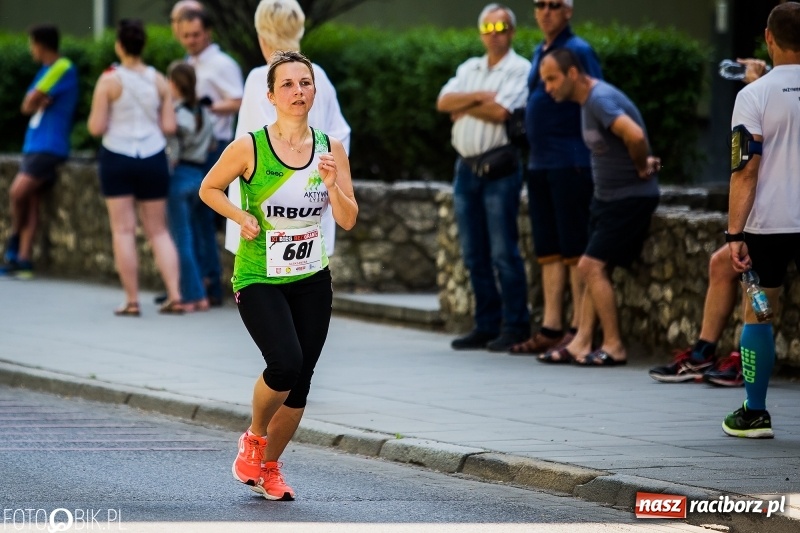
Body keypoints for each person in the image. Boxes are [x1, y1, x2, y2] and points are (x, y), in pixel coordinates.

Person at [199, 50, 358, 500]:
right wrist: (239, 216)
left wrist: (331, 186)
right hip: (259, 276)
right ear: (270, 95)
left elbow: (347, 218)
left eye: (304, 83)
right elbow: (208, 187)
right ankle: (253, 436)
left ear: (315, 91)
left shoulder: (331, 149)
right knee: (285, 363)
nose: (297, 91)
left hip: (311, 277)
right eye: (287, 84)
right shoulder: (251, 146)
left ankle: (268, 468)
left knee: (302, 379)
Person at [648, 58, 774, 387]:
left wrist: (754, 85)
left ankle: (748, 368)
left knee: (754, 276)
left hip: (782, 216)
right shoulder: (773, 85)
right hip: (773, 210)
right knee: (723, 263)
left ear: (771, 39)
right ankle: (704, 353)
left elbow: (753, 149)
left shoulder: (765, 91)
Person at [537, 48, 660, 366]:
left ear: (573, 74)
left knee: (590, 267)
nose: (548, 88)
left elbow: (633, 134)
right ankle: (581, 342)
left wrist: (641, 165)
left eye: (552, 79)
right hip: (606, 199)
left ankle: (614, 344)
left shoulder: (598, 100)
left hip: (629, 199)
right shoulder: (585, 102)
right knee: (590, 267)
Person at [722, 2, 800, 439]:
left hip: (770, 226)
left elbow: (745, 169)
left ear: (769, 39)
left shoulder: (753, 95)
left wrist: (735, 232)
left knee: (759, 312)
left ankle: (755, 413)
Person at [509, 0, 603, 356]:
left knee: (573, 248)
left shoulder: (578, 51)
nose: (545, 11)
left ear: (569, 11)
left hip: (571, 161)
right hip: (540, 163)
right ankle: (551, 326)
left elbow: (595, 97)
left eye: (554, 5)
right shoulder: (539, 50)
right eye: (540, 5)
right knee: (548, 250)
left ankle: (579, 329)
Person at [436, 3, 531, 352]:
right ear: (481, 33)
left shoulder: (521, 69)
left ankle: (516, 325)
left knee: (503, 251)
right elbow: (442, 102)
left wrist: (465, 106)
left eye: (501, 28)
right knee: (474, 252)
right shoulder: (469, 68)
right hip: (466, 168)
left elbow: (502, 111)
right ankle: (486, 324)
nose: (495, 35)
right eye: (488, 29)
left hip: (500, 170)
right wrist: (478, 97)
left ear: (512, 31)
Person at [224, 0, 351, 258]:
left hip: (267, 215)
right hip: (312, 206)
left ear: (263, 36)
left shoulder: (260, 79)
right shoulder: (319, 78)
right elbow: (341, 135)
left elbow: (251, 149)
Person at [87, 19, 183, 316]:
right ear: (143, 45)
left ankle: (132, 301)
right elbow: (169, 125)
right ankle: (176, 295)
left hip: (117, 156)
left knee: (124, 230)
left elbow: (96, 126)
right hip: (153, 157)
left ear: (119, 45)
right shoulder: (158, 81)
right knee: (158, 231)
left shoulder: (109, 80)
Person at [176, 8, 244, 305]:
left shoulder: (221, 64)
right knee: (197, 217)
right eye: (186, 35)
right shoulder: (189, 63)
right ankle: (202, 283)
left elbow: (239, 99)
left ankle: (210, 284)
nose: (190, 40)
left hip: (215, 146)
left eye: (196, 34)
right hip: (196, 149)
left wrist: (210, 107)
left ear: (208, 33)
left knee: (202, 217)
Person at [1, 25, 78, 279]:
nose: (30, 49)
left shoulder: (61, 67)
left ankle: (13, 240)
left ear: (41, 44)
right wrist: (36, 100)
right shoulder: (45, 72)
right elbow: (29, 105)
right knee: (32, 202)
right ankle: (23, 259)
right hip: (36, 145)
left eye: (32, 44)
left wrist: (36, 100)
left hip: (48, 146)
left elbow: (27, 103)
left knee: (17, 192)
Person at [165, 61, 215, 312]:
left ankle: (195, 296)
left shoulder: (175, 114)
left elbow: (170, 147)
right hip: (200, 175)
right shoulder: (204, 112)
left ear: (173, 84)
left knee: (181, 239)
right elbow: (213, 145)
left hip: (180, 176)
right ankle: (205, 286)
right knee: (196, 236)